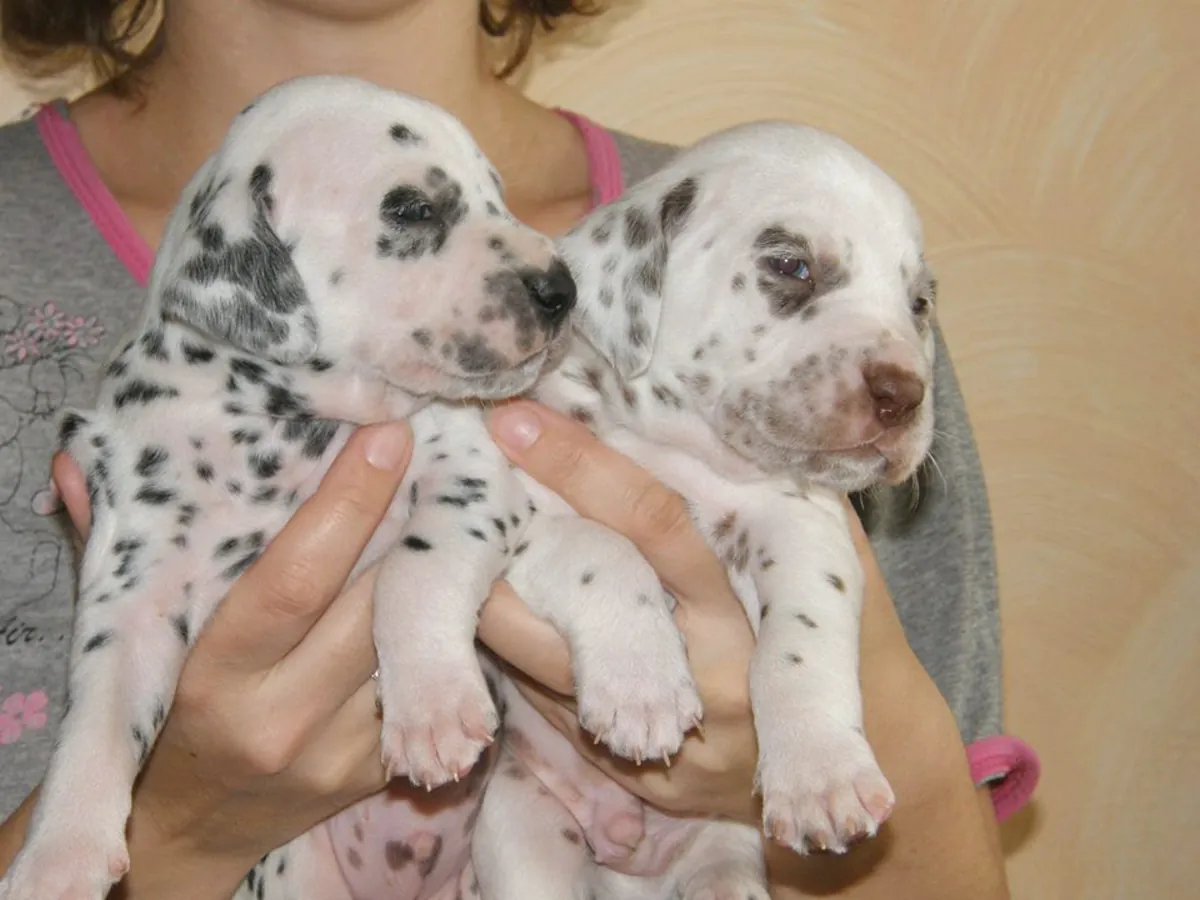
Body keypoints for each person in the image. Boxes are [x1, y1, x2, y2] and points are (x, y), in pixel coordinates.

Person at [0, 1, 1039, 897]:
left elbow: (929, 844)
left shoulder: (784, 267)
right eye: (413, 214)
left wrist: (861, 736)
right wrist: (178, 824)